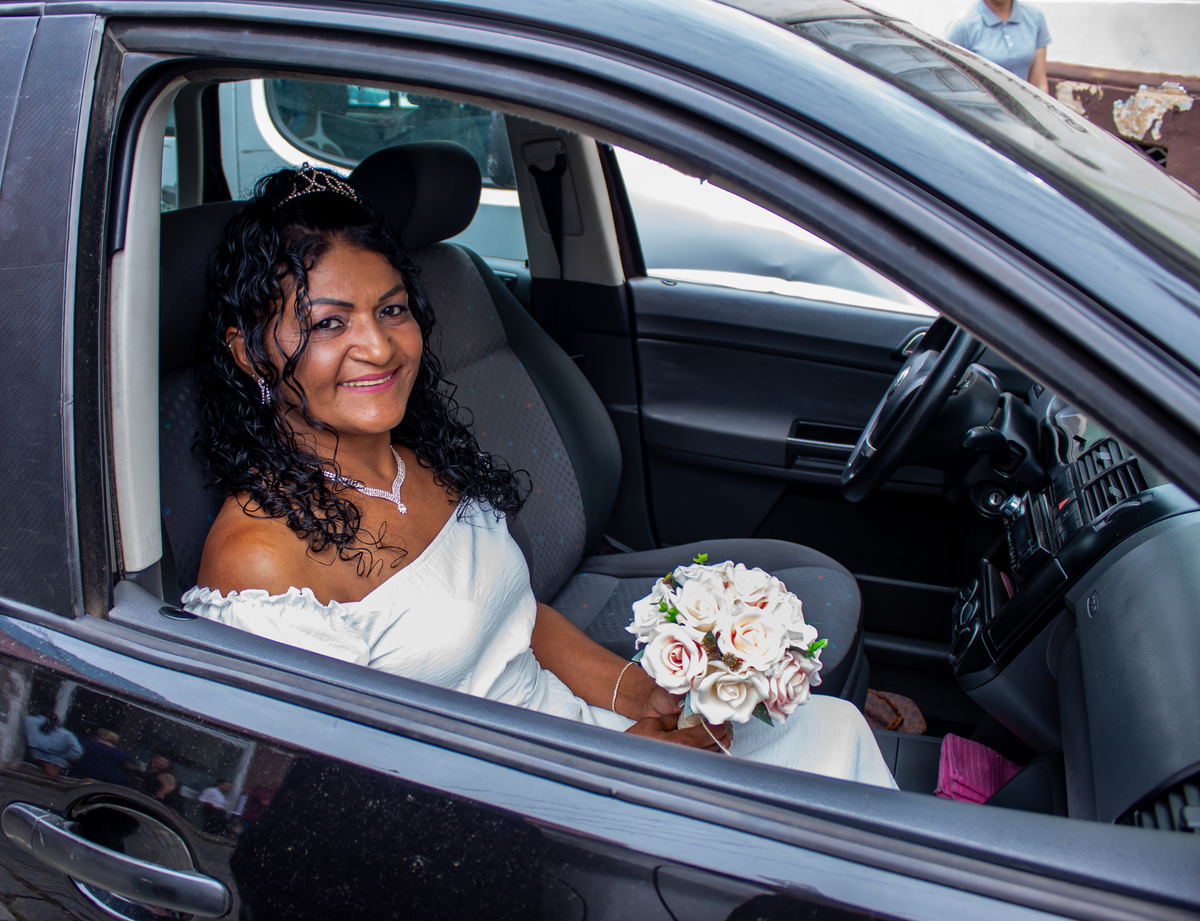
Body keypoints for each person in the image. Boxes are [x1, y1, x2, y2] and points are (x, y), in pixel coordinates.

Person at [181, 166, 896, 790]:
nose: (379, 345)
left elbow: (518, 620)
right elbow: (358, 795)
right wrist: (618, 774)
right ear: (248, 352)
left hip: (568, 735)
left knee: (831, 730)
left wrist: (642, 698)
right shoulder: (262, 564)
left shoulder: (415, 459)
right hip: (514, 813)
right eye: (328, 323)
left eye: (391, 309)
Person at [947, 0, 1050, 92]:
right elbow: (949, 84)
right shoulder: (963, 26)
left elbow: (1039, 84)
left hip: (1025, 106)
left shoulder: (1035, 18)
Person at [24, 713, 83, 779]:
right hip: (55, 761)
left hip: (35, 757)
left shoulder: (31, 721)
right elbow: (77, 752)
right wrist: (63, 756)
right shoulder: (66, 734)